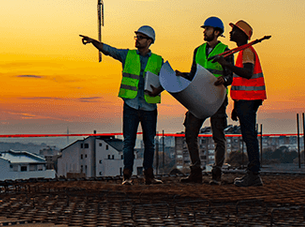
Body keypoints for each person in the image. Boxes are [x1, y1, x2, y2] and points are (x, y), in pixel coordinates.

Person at [80, 26, 164, 185]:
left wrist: (158, 89)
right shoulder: (128, 55)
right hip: (131, 105)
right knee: (128, 142)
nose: (137, 39)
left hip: (149, 107)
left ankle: (149, 176)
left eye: (141, 37)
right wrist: (93, 42)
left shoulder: (158, 60)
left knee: (150, 143)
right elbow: (109, 50)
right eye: (136, 36)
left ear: (149, 41)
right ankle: (127, 177)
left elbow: (168, 80)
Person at [174, 17, 233, 185]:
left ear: (216, 32)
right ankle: (196, 172)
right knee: (190, 133)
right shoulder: (198, 50)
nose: (204, 31)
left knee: (218, 137)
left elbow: (231, 76)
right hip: (198, 98)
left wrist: (225, 79)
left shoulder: (225, 51)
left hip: (217, 99)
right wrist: (182, 75)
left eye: (207, 29)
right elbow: (194, 73)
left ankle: (216, 173)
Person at [216, 20, 267, 187]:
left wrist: (226, 65)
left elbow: (247, 73)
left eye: (234, 30)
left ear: (242, 34)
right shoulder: (242, 52)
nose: (230, 33)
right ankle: (253, 173)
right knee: (248, 136)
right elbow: (240, 82)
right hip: (245, 100)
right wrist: (236, 105)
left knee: (249, 136)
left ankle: (253, 174)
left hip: (249, 99)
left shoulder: (246, 52)